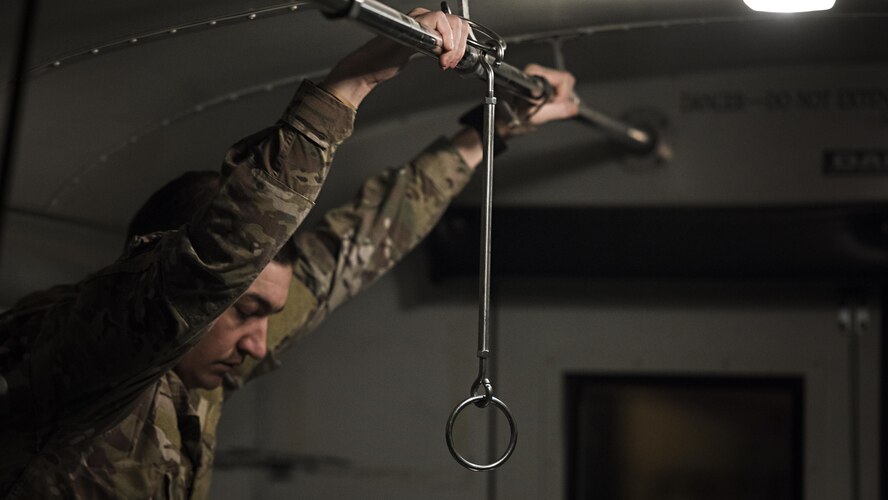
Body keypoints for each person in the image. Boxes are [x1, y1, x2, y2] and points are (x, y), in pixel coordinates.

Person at [0, 8, 578, 498]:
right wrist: (351, 83)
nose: (257, 344)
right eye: (247, 312)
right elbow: (215, 265)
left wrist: (489, 132)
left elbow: (359, 245)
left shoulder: (203, 370)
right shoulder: (79, 357)